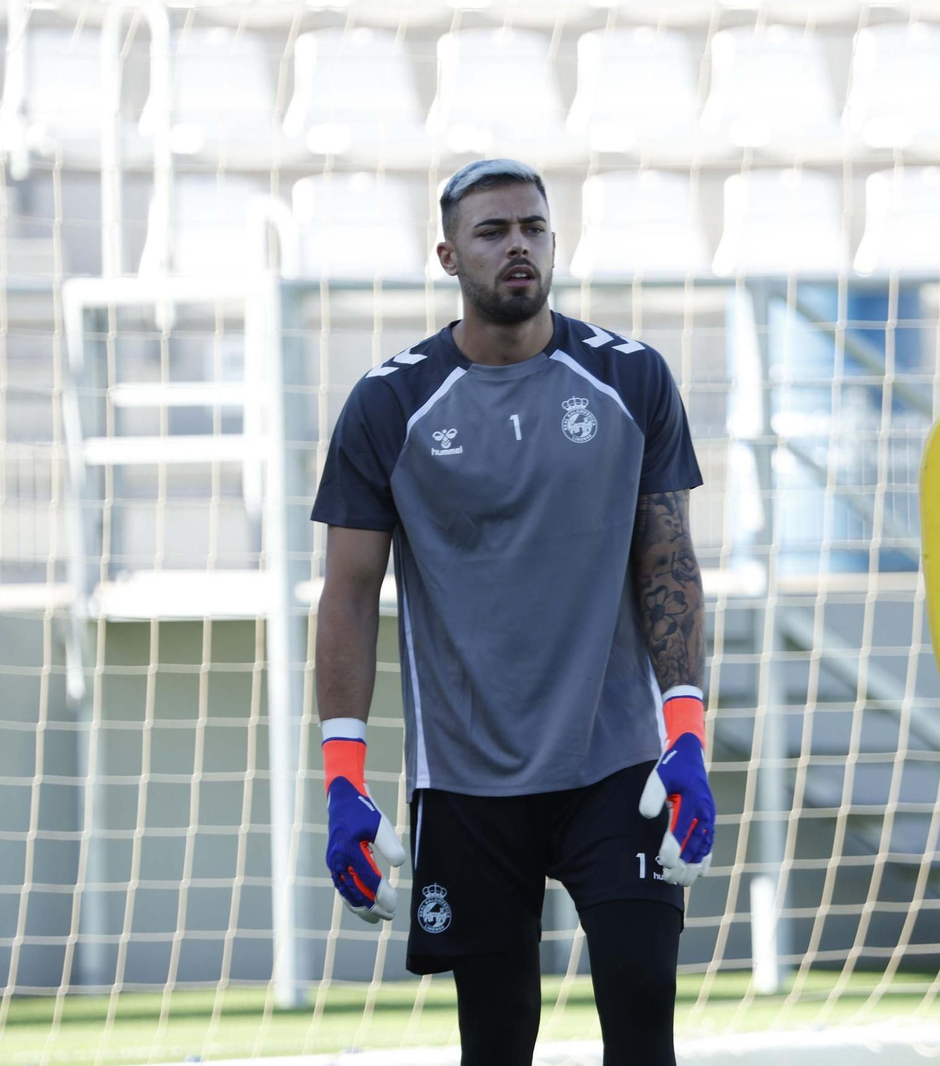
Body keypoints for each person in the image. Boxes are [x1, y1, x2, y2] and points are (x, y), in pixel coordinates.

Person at [310, 158, 716, 1066]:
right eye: (493, 232)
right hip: (466, 775)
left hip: (617, 760)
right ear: (449, 254)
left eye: (533, 227)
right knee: (496, 1040)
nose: (517, 245)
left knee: (644, 1002)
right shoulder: (390, 403)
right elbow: (347, 591)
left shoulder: (631, 379)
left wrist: (685, 730)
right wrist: (344, 775)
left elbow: (669, 560)